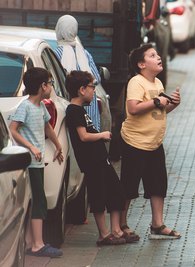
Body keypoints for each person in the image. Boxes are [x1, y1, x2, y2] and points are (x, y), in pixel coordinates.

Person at [65, 70, 139, 246]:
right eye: (92, 87)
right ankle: (104, 234)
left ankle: (116, 230)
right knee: (98, 196)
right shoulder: (73, 110)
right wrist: (102, 135)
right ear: (82, 89)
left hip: (100, 159)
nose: (93, 91)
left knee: (117, 192)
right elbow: (83, 136)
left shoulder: (81, 110)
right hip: (91, 162)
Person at [119, 43, 181, 239]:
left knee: (158, 185)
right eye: (152, 55)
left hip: (154, 143)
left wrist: (173, 105)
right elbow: (133, 108)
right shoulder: (136, 82)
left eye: (157, 54)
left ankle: (157, 224)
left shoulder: (158, 84)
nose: (158, 57)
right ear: (141, 64)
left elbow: (159, 111)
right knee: (129, 186)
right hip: (134, 143)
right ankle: (121, 224)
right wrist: (156, 101)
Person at [9, 67, 64, 258]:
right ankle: (37, 245)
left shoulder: (40, 107)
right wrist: (31, 147)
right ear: (43, 86)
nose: (51, 87)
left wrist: (58, 145)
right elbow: (13, 129)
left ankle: (31, 242)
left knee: (35, 201)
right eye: (50, 83)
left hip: (37, 162)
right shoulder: (25, 106)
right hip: (30, 162)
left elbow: (47, 126)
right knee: (38, 201)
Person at [54, 14, 101, 132]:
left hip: (69, 106)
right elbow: (97, 79)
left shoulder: (56, 54)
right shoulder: (85, 53)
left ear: (58, 30)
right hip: (89, 106)